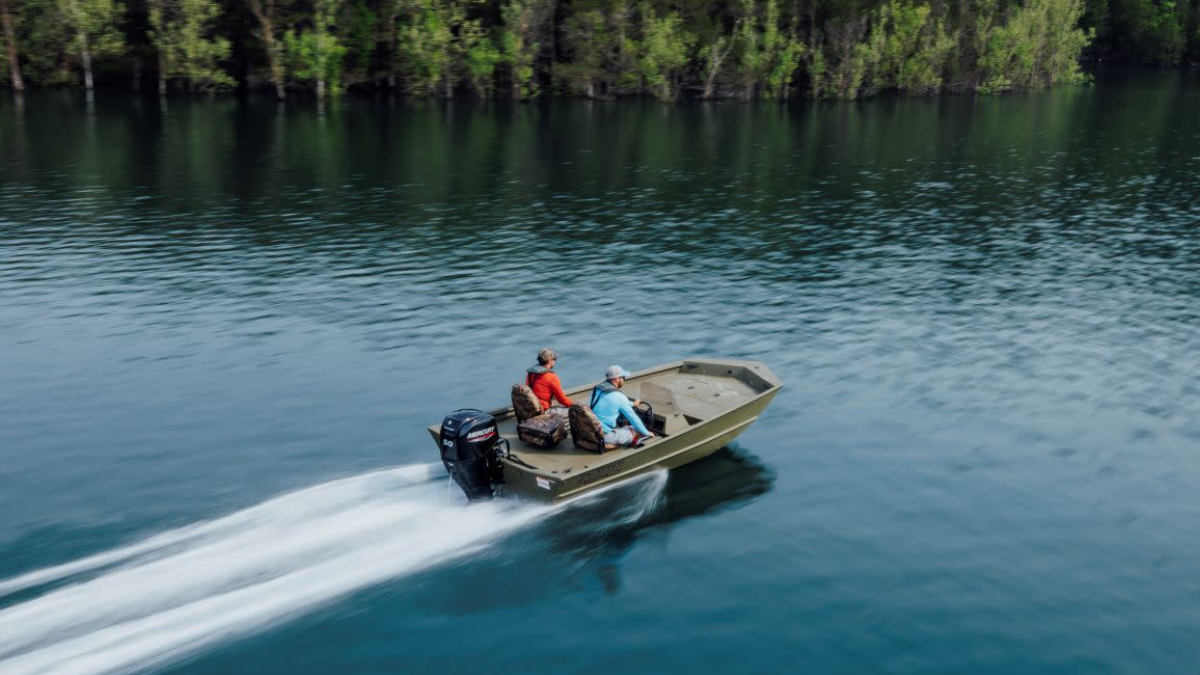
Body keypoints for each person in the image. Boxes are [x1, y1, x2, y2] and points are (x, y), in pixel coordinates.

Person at [590, 365, 656, 447]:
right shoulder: (619, 396)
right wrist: (647, 433)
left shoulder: (597, 390)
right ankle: (617, 444)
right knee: (635, 430)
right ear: (617, 379)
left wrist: (633, 404)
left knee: (624, 425)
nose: (624, 379)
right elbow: (634, 419)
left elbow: (613, 403)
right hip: (604, 436)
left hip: (592, 430)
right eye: (623, 377)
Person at [526, 347, 573, 412]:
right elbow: (562, 400)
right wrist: (574, 406)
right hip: (543, 411)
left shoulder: (530, 373)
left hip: (531, 410)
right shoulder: (551, 377)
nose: (555, 361)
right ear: (549, 360)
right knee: (572, 410)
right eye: (554, 359)